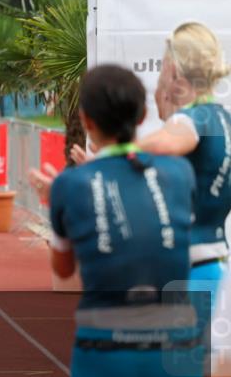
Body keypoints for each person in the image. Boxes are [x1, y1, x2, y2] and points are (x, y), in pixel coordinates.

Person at [31, 65, 201, 377]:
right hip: (174, 356)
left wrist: (60, 202)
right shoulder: (179, 173)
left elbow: (63, 270)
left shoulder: (69, 186)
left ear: (86, 120)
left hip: (104, 356)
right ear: (141, 117)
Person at [70, 24, 231, 287]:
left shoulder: (192, 119)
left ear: (173, 70)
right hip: (211, 264)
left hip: (190, 271)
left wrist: (112, 153)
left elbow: (168, 143)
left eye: (162, 67)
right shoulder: (223, 119)